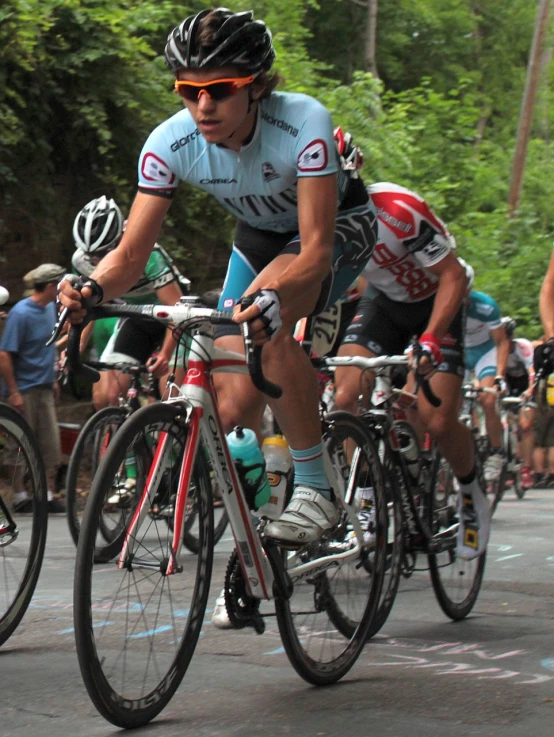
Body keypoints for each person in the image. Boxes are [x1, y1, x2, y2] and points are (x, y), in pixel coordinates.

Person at [58, 8, 377, 547]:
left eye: (221, 89)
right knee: (234, 404)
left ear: (255, 87)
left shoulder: (302, 122)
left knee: (264, 320)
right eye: (188, 90)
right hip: (258, 235)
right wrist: (92, 289)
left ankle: (318, 488)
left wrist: (275, 297)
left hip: (336, 229)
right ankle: (260, 532)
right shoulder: (169, 142)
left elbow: (315, 248)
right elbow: (131, 254)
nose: (203, 105)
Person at [333, 181, 489, 561]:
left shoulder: (399, 210)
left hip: (439, 297)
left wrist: (433, 338)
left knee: (436, 419)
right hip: (385, 302)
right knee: (344, 398)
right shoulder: (310, 215)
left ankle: (470, 491)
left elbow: (452, 275)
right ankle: (367, 503)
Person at [70, 195, 189, 408]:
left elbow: (176, 309)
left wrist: (166, 354)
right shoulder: (80, 261)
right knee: (112, 395)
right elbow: (89, 306)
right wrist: (77, 344)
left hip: (173, 317)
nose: (97, 262)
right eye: (92, 256)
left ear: (119, 239)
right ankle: (132, 436)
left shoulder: (147, 252)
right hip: (138, 316)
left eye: (103, 253)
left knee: (169, 393)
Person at [0, 263, 66, 513]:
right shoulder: (21, 312)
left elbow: (49, 345)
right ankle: (19, 495)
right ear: (50, 287)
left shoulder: (50, 308)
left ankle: (45, 495)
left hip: (44, 385)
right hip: (24, 389)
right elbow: (5, 354)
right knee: (18, 443)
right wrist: (14, 391)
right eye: (58, 285)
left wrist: (54, 378)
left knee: (49, 443)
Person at [464, 289, 510, 482]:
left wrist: (499, 376)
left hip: (486, 351)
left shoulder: (485, 305)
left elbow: (501, 341)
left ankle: (496, 451)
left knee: (488, 399)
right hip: (459, 350)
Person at [502, 316, 535, 490]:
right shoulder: (495, 349)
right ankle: (503, 468)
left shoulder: (522, 347)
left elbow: (532, 372)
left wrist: (529, 391)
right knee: (502, 424)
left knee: (525, 426)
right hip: (507, 384)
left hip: (524, 383)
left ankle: (526, 469)